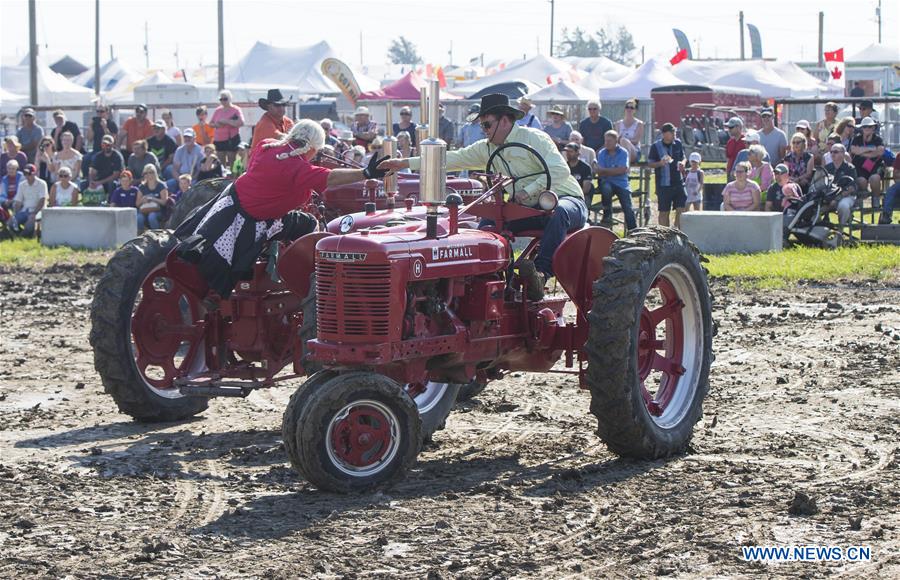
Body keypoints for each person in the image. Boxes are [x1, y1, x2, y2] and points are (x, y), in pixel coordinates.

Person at [379, 93, 587, 301]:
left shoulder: (535, 138)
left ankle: (540, 276)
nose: (484, 131)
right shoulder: (486, 149)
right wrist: (404, 163)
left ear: (504, 120)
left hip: (566, 199)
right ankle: (492, 280)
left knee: (559, 212)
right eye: (482, 127)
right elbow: (453, 158)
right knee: (489, 224)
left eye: (487, 125)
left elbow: (560, 171)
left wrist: (529, 190)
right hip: (529, 208)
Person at [174, 119, 390, 297]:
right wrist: (365, 174)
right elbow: (330, 178)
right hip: (254, 220)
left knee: (295, 219)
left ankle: (275, 261)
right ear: (314, 147)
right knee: (308, 223)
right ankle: (299, 280)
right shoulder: (299, 169)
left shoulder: (266, 146)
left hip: (229, 202)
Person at [595, 130, 637, 231]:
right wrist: (615, 170)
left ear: (616, 141)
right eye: (605, 141)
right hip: (607, 182)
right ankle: (607, 216)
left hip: (622, 183)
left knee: (628, 207)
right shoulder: (602, 153)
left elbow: (623, 169)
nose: (606, 143)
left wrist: (606, 170)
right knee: (606, 188)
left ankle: (634, 231)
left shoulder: (623, 152)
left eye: (609, 141)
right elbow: (600, 172)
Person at [647, 122, 687, 228]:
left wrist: (683, 163)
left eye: (674, 132)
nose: (674, 135)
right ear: (664, 134)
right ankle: (665, 233)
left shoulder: (678, 143)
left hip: (678, 182)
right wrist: (660, 163)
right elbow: (650, 163)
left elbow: (684, 157)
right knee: (664, 212)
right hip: (663, 184)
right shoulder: (655, 147)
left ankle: (677, 230)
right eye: (672, 132)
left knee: (681, 208)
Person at [850, 117, 885, 205]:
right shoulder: (857, 139)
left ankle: (876, 199)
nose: (867, 129)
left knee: (875, 178)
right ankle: (862, 198)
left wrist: (862, 151)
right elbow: (854, 150)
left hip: (875, 166)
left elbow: (880, 152)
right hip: (860, 166)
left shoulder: (878, 139)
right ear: (861, 128)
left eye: (869, 127)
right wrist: (872, 149)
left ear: (873, 128)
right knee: (861, 181)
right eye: (864, 127)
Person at [9, 164, 47, 236]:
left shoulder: (42, 184)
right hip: (25, 210)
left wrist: (34, 213)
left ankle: (21, 237)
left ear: (34, 173)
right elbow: (18, 201)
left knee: (29, 226)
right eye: (25, 174)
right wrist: (15, 214)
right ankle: (19, 235)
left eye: (29, 174)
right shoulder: (22, 185)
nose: (27, 176)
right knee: (11, 223)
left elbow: (42, 200)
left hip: (37, 211)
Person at [825, 144, 858, 224]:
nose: (832, 154)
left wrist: (836, 199)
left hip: (846, 196)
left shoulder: (850, 168)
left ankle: (841, 230)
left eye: (835, 152)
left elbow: (851, 188)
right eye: (831, 152)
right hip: (829, 197)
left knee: (843, 206)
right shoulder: (827, 168)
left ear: (843, 154)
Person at [211, 89, 244, 168]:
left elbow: (241, 122)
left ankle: (233, 178)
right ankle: (222, 179)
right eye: (221, 99)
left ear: (230, 98)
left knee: (232, 160)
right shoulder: (218, 110)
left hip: (231, 139)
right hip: (219, 139)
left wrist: (226, 121)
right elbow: (211, 123)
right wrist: (217, 124)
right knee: (220, 163)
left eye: (225, 99)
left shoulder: (236, 110)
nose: (223, 101)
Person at [85, 104, 118, 178]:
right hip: (96, 150)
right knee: (85, 158)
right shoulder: (95, 124)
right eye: (97, 111)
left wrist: (105, 127)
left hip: (108, 151)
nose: (99, 114)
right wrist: (90, 126)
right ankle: (87, 178)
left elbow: (113, 140)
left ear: (107, 112)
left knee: (95, 159)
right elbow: (89, 139)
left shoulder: (112, 124)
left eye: (101, 111)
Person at [135, 164, 168, 231]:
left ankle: (156, 235)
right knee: (139, 218)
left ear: (155, 173)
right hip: (144, 209)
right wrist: (143, 200)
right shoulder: (142, 186)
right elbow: (137, 204)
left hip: (158, 210)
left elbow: (164, 202)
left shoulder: (161, 185)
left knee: (151, 216)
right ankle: (140, 236)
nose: (148, 175)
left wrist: (152, 199)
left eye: (150, 172)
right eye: (146, 173)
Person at [614, 98, 644, 162]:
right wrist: (621, 141)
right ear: (624, 109)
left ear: (635, 110)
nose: (629, 109)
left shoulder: (639, 124)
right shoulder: (618, 124)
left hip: (635, 151)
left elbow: (636, 141)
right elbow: (616, 140)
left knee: (623, 141)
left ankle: (626, 168)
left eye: (631, 108)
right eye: (627, 107)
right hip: (619, 150)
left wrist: (624, 141)